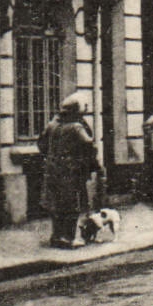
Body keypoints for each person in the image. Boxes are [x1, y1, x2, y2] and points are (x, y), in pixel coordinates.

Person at [38, 92, 100, 248]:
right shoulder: (76, 127)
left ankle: (56, 236)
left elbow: (41, 144)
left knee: (56, 205)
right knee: (72, 204)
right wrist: (89, 163)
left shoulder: (52, 125)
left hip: (52, 169)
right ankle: (68, 237)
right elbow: (89, 145)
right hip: (71, 171)